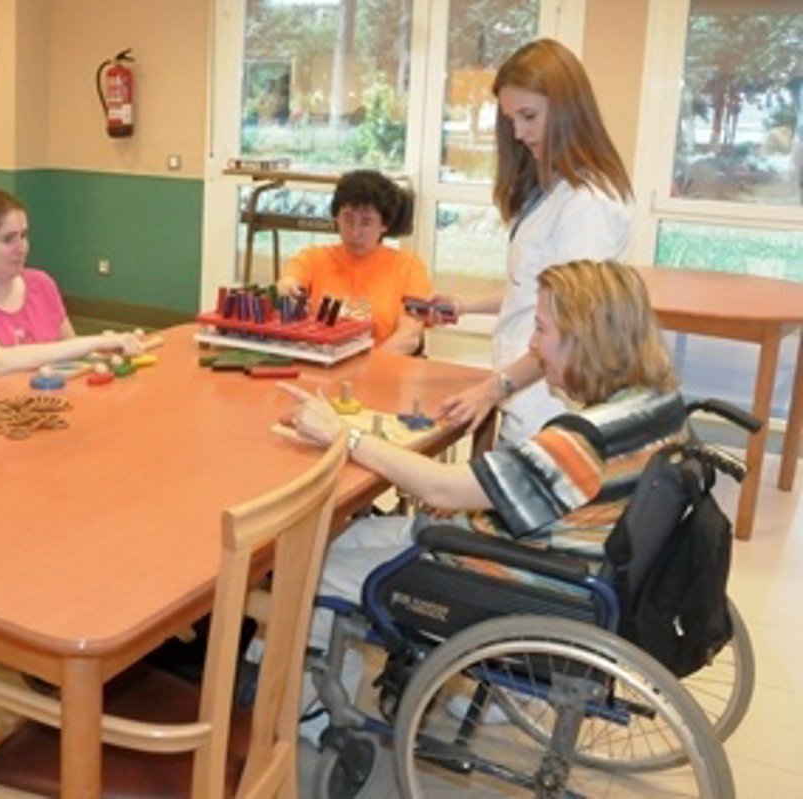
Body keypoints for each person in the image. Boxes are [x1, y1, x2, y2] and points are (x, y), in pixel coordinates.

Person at [280, 260, 688, 733]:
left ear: (584, 338)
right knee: (345, 538)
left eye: (541, 329)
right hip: (570, 560)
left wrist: (343, 435)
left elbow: (440, 486)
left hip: (513, 582)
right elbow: (523, 491)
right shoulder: (658, 404)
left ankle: (309, 715)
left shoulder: (582, 441)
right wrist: (470, 498)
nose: (532, 345)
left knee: (308, 571)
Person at [437, 38, 633, 445]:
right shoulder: (554, 190)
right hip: (524, 398)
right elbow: (531, 287)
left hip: (547, 407)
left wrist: (493, 388)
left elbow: (570, 324)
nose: (519, 133)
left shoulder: (587, 205)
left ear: (568, 109)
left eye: (529, 116)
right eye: (511, 119)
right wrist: (466, 306)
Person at [0, 189, 145, 386]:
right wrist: (96, 342)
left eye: (23, 236)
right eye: (8, 239)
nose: (21, 248)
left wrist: (107, 350)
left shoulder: (42, 284)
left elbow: (70, 350)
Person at [276, 170, 431, 355]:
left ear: (384, 224)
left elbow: (409, 338)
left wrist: (367, 367)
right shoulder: (312, 258)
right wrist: (287, 288)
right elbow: (289, 282)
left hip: (382, 365)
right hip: (323, 362)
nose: (355, 232)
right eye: (348, 219)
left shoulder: (409, 267)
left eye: (366, 222)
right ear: (336, 218)